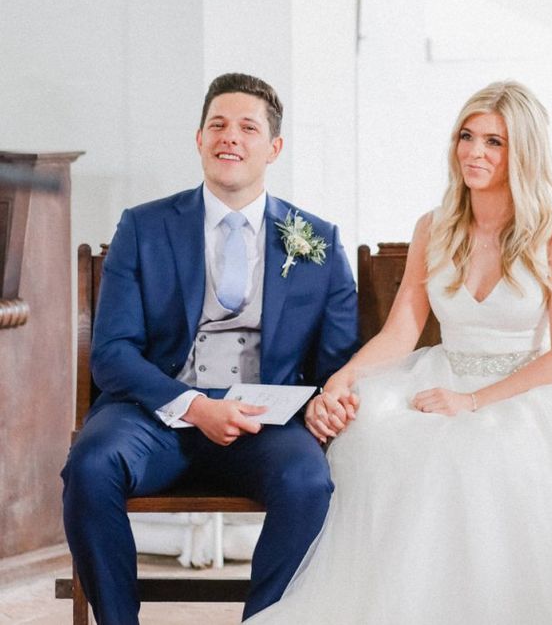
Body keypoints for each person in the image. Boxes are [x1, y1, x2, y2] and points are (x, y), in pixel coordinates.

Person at [246, 81, 552, 624]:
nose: (474, 152)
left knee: (490, 460)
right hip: (441, 374)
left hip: (529, 386)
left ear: (522, 152)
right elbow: (401, 332)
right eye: (467, 136)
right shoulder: (434, 227)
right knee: (382, 436)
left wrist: (475, 401)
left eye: (494, 142)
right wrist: (343, 379)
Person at [60, 73, 358, 625]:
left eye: (248, 127)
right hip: (154, 415)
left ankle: (263, 620)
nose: (230, 137)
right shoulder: (142, 227)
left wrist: (324, 399)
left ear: (273, 148)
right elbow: (113, 352)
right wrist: (194, 406)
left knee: (308, 479)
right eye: (217, 124)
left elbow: (335, 364)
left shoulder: (317, 239)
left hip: (262, 424)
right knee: (92, 463)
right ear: (198, 139)